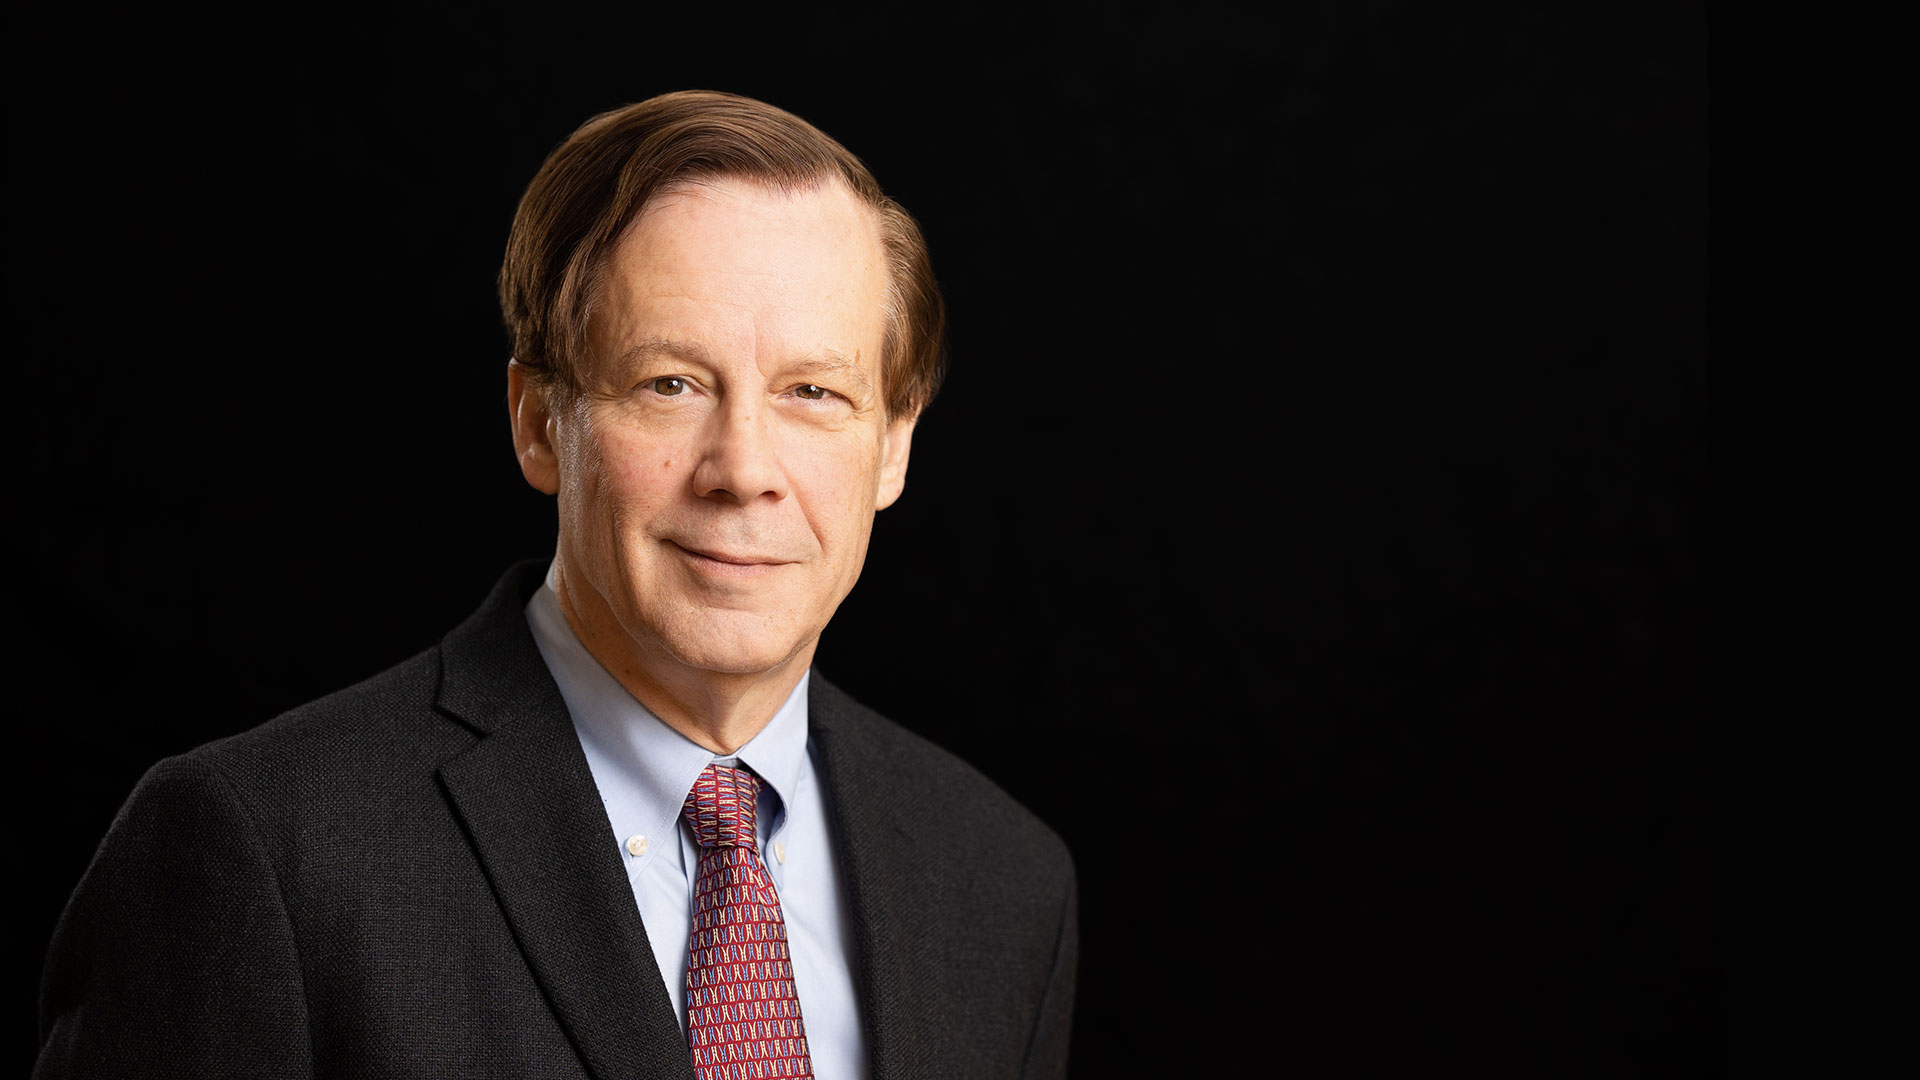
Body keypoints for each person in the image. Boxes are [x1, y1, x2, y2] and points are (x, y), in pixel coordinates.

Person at [36, 90, 1076, 1079]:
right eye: (671, 383)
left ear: (892, 447)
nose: (744, 469)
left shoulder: (1000, 881)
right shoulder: (263, 854)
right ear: (540, 420)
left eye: (814, 392)